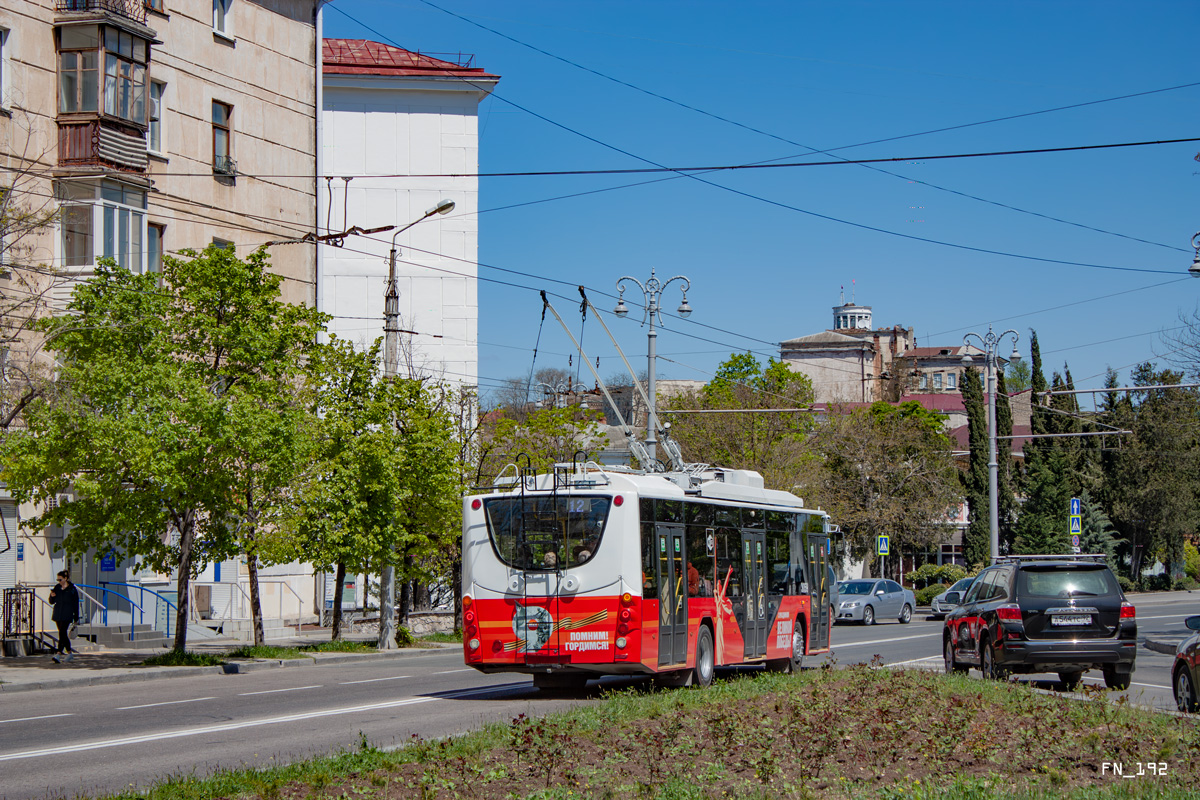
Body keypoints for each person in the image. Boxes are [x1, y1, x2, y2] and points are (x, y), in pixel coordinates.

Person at [48, 570, 80, 663]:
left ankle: (58, 653)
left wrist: (76, 617)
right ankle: (69, 653)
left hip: (67, 613)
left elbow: (75, 603)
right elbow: (51, 601)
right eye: (57, 580)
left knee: (62, 632)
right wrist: (52, 596)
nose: (59, 581)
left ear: (65, 578)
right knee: (62, 633)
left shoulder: (72, 589)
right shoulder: (57, 588)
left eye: (60, 579)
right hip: (58, 613)